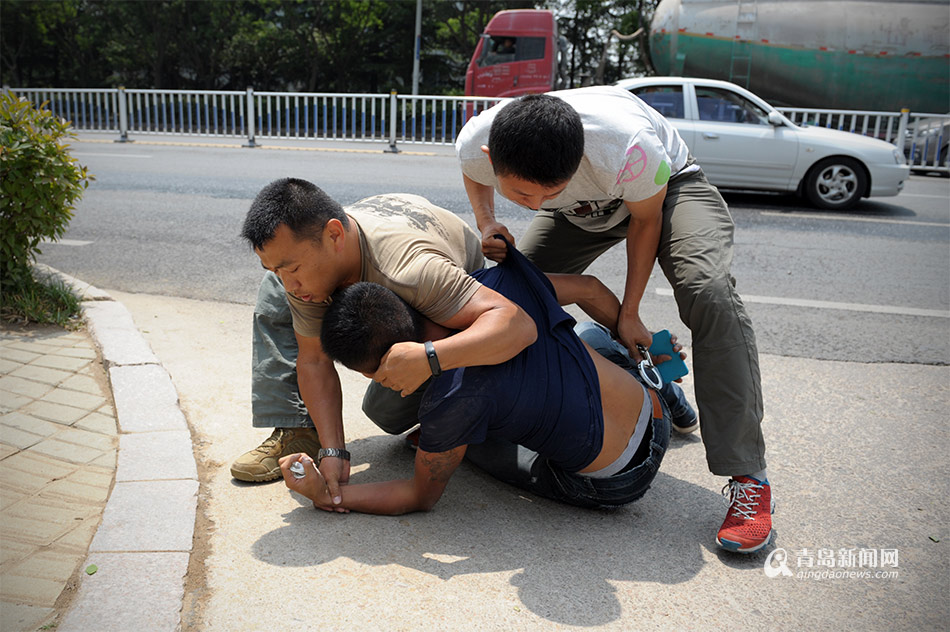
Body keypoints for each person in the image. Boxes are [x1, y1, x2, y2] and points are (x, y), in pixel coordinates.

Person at [455, 87, 772, 553]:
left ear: (578, 158)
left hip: (664, 192)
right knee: (515, 297)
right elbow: (475, 175)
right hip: (580, 210)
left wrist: (631, 312)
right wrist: (488, 223)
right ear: (491, 155)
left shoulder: (627, 147)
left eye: (550, 190)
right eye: (523, 193)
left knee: (708, 292)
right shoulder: (478, 139)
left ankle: (749, 476)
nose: (537, 204)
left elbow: (645, 224)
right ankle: (661, 383)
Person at [280, 240, 673, 513]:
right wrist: (643, 341)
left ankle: (453, 443)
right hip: (652, 410)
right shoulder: (489, 288)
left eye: (372, 375)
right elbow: (589, 287)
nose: (379, 383)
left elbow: (418, 496)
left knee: (461, 446)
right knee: (583, 336)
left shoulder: (450, 402)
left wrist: (328, 496)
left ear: (390, 362)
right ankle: (666, 376)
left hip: (619, 480)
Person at [231, 178, 539, 515]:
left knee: (388, 410)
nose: (290, 284)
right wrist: (333, 451)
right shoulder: (309, 266)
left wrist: (429, 358)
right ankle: (301, 430)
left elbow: (517, 325)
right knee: (276, 293)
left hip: (434, 270)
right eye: (277, 269)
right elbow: (315, 360)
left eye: (291, 269)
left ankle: (480, 418)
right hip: (373, 241)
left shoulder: (413, 271)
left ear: (334, 235)